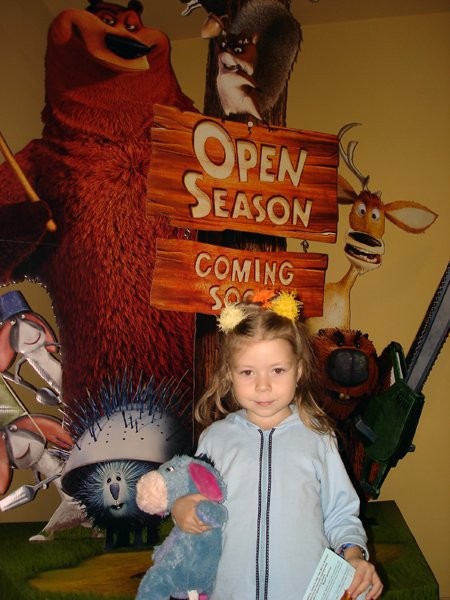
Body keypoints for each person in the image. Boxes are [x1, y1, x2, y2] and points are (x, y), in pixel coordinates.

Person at [173, 291, 383, 600]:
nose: (263, 385)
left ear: (299, 370)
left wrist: (354, 556)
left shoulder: (318, 437)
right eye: (248, 372)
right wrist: (180, 509)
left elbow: (340, 514)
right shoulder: (214, 440)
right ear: (230, 374)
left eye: (278, 370)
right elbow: (192, 502)